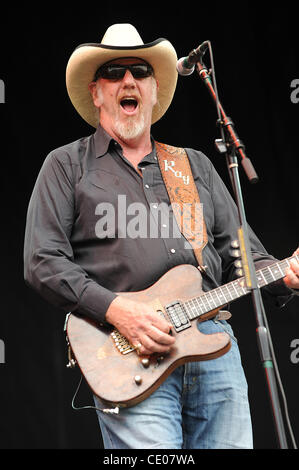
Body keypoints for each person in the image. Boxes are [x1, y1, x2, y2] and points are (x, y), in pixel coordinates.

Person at [24, 24, 299, 449]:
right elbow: (43, 260)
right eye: (114, 72)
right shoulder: (66, 166)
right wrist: (118, 310)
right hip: (129, 354)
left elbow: (244, 256)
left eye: (140, 71)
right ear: (96, 92)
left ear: (154, 91)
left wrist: (286, 273)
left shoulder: (196, 166)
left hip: (214, 350)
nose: (128, 80)